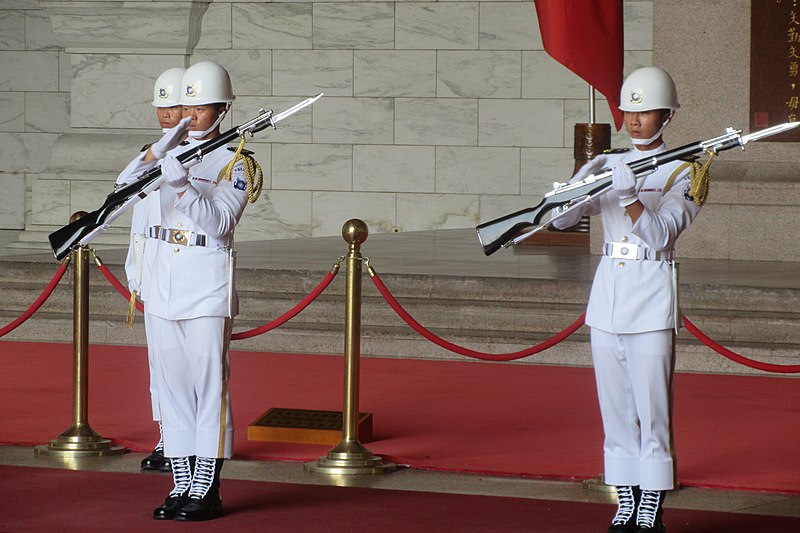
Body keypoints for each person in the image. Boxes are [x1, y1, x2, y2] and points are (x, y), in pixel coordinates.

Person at [551, 66, 707, 533]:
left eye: (645, 110)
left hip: (652, 294)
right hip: (609, 298)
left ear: (667, 114)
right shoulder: (608, 162)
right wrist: (581, 187)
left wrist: (630, 198)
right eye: (629, 109)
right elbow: (560, 224)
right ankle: (625, 497)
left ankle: (652, 502)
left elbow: (660, 235)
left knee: (652, 407)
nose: (634, 119)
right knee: (614, 408)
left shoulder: (687, 169)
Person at [122, 60, 256, 522]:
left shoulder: (236, 161)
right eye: (188, 103)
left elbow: (219, 225)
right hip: (162, 281)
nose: (191, 113)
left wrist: (179, 183)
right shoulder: (167, 149)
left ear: (222, 108)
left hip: (203, 283)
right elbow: (122, 191)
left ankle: (207, 486)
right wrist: (158, 154)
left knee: (207, 388)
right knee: (174, 389)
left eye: (202, 105)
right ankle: (181, 484)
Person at [116, 66, 189, 473]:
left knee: (187, 370)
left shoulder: (203, 155)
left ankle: (188, 442)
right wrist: (136, 271)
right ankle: (167, 435)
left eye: (174, 105)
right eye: (161, 106)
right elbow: (129, 208)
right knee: (159, 368)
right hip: (151, 273)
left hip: (184, 276)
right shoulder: (151, 153)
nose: (166, 114)